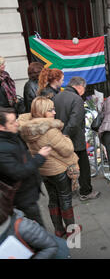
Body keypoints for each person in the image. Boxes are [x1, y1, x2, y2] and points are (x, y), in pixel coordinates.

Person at [18, 97, 81, 238]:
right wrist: (66, 138)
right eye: (50, 109)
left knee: (53, 199)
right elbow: (67, 150)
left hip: (44, 170)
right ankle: (71, 231)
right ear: (41, 112)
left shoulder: (28, 128)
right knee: (65, 199)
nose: (54, 112)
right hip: (59, 170)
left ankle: (59, 230)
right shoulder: (49, 130)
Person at [0, 107, 51, 226]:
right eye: (12, 123)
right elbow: (18, 172)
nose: (16, 124)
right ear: (2, 127)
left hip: (28, 194)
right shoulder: (2, 149)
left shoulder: (11, 136)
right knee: (38, 233)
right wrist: (40, 157)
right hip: (22, 200)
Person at [54, 76, 100, 201]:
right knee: (83, 167)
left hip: (60, 138)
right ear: (79, 87)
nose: (84, 91)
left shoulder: (57, 96)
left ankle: (68, 190)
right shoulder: (77, 99)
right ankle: (85, 191)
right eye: (84, 88)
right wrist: (66, 134)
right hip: (74, 140)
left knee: (65, 165)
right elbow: (74, 121)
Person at [0, 182, 69, 259]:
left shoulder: (23, 227)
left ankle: (60, 230)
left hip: (30, 189)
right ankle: (66, 230)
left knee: (56, 199)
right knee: (63, 198)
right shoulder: (23, 226)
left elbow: (50, 246)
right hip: (31, 188)